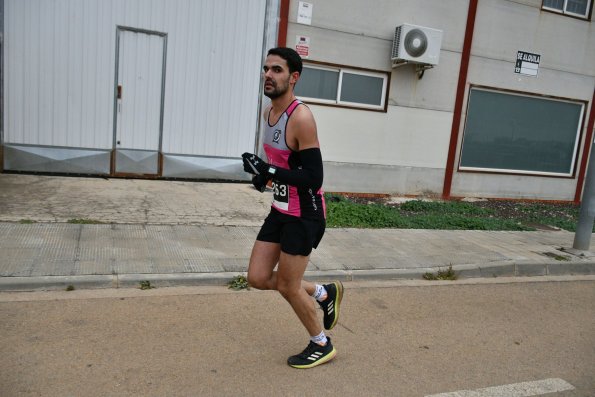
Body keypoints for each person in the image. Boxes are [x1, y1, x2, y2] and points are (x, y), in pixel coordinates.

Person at [241, 47, 343, 369]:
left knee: (287, 286)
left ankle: (321, 343)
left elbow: (313, 178)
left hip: (306, 214)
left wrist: (270, 172)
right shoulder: (268, 114)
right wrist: (263, 179)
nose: (268, 75)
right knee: (257, 277)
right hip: (281, 209)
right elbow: (282, 166)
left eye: (277, 70)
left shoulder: (301, 118)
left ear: (293, 77)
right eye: (266, 69)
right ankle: (322, 293)